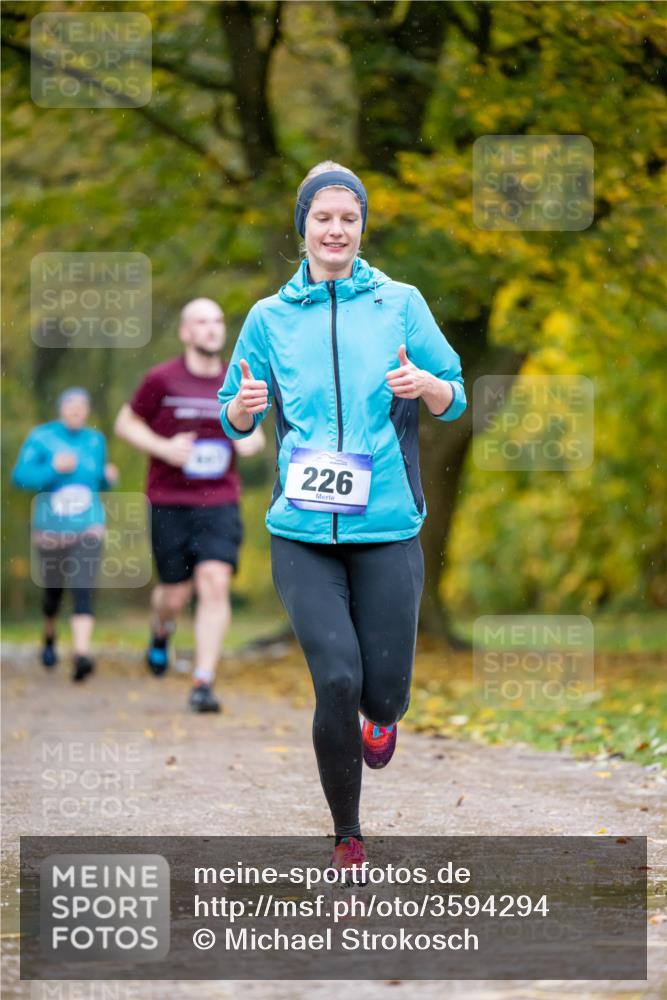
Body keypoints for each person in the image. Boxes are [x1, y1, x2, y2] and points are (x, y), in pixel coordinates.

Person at [218, 161, 467, 870]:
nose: (335, 230)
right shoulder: (268, 318)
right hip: (301, 531)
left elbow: (455, 393)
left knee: (382, 694)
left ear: (361, 227)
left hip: (386, 526)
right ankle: (348, 834)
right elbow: (233, 410)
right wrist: (242, 411)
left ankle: (381, 720)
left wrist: (425, 385)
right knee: (334, 679)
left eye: (348, 219)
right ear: (302, 228)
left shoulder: (400, 303)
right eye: (322, 218)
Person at [114, 298, 265, 713]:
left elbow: (254, 431)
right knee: (174, 595)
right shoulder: (162, 379)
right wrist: (164, 447)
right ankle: (161, 629)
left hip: (220, 499)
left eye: (217, 321)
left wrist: (249, 440)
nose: (212, 328)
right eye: (202, 321)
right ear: (185, 332)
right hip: (170, 500)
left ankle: (203, 681)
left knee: (214, 582)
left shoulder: (236, 378)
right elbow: (125, 423)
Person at [12, 387, 119, 682]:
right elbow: (19, 477)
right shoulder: (42, 437)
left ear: (87, 412)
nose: (76, 412)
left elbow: (97, 482)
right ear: (61, 410)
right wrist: (52, 468)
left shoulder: (95, 441)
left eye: (81, 408)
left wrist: (108, 478)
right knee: (53, 592)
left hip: (88, 526)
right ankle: (49, 637)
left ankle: (81, 655)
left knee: (84, 588)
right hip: (51, 529)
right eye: (71, 407)